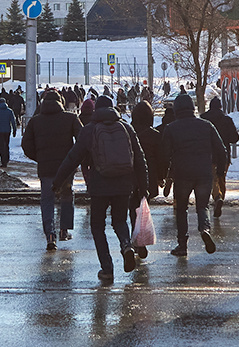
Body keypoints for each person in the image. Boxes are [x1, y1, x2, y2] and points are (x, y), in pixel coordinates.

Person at [52, 95, 150, 283]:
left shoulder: (89, 130)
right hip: (123, 184)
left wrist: (57, 181)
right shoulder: (126, 128)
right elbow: (139, 158)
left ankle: (107, 269)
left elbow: (73, 158)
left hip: (100, 185)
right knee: (120, 221)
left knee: (97, 226)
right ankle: (126, 245)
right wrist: (143, 186)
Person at [160, 95, 228, 256]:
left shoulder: (171, 128)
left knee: (182, 209)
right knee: (202, 206)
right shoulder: (206, 126)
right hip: (204, 173)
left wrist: (165, 174)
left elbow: (164, 154)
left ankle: (182, 245)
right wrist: (219, 172)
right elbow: (221, 150)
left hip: (182, 174)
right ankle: (204, 229)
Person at [21, 90, 83, 248]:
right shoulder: (70, 118)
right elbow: (83, 139)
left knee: (47, 200)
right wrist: (72, 158)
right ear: (61, 102)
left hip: (46, 168)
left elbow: (26, 145)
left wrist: (40, 157)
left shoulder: (35, 121)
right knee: (67, 196)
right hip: (66, 167)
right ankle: (64, 230)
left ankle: (50, 235)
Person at [0, 95, 17, 169]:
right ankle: (7, 158)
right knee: (6, 145)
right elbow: (13, 121)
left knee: (1, 146)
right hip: (7, 130)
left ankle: (3, 161)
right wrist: (14, 130)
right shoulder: (9, 111)